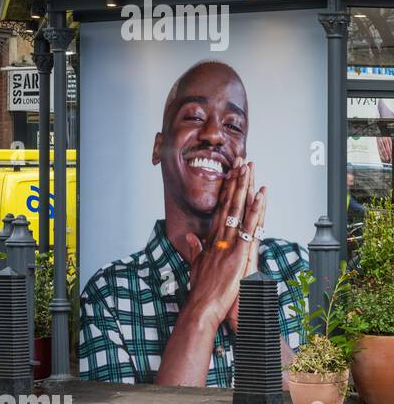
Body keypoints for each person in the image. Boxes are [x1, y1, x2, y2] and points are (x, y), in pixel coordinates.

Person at [79, 61, 308, 387]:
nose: (214, 135)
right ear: (159, 147)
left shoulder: (294, 268)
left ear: (242, 154)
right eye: (194, 116)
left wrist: (252, 317)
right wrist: (204, 306)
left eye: (233, 126)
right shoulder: (109, 297)